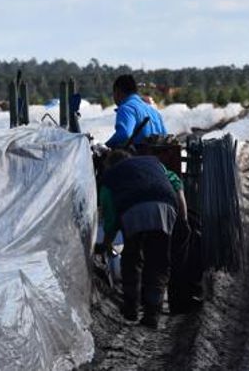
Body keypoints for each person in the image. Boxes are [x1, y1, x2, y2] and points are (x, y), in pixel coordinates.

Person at [99, 149, 188, 328]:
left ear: (109, 165)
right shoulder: (153, 163)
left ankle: (131, 307)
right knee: (158, 263)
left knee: (131, 259)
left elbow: (111, 217)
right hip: (165, 207)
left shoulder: (110, 179)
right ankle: (152, 314)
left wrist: (106, 244)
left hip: (133, 211)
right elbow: (176, 184)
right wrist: (183, 218)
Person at [106, 74, 166, 147]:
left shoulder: (126, 108)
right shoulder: (154, 112)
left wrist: (106, 146)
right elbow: (164, 137)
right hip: (157, 158)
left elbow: (124, 134)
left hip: (138, 157)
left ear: (118, 92)